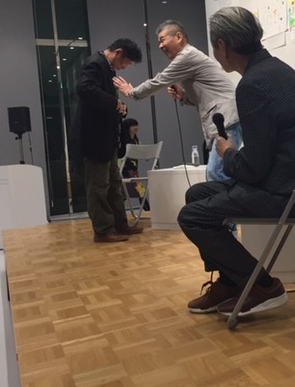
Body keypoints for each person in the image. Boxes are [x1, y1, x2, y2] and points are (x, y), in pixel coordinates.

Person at [178, 6, 295, 317]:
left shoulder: (252, 85)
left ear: (222, 46)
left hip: (284, 194)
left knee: (192, 216)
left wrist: (228, 152)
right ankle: (231, 282)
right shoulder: (279, 71)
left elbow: (253, 168)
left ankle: (261, 285)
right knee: (196, 194)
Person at [113, 20, 242, 182]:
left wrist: (131, 92)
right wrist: (184, 96)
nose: (160, 46)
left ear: (179, 37)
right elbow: (207, 96)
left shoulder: (187, 56)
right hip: (226, 118)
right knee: (218, 174)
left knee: (217, 174)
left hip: (226, 119)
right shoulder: (190, 56)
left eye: (162, 40)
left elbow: (160, 80)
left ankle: (235, 199)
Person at [71, 38, 145, 243]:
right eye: (126, 62)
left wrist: (120, 107)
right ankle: (103, 230)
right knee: (99, 186)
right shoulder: (95, 63)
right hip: (94, 139)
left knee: (114, 184)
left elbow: (104, 101)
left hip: (106, 138)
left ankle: (119, 224)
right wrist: (114, 103)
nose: (125, 67)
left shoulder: (107, 68)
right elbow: (85, 89)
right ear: (118, 52)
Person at [118, 118, 150, 211]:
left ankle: (118, 209)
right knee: (140, 191)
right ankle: (148, 210)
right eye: (133, 126)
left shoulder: (136, 141)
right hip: (126, 169)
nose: (136, 128)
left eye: (137, 125)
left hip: (134, 170)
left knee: (126, 192)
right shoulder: (123, 142)